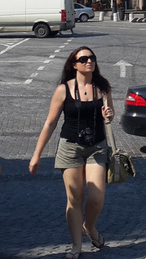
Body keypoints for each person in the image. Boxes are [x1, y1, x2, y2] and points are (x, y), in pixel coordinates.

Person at [29, 47, 115, 259]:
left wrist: (109, 114)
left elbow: (110, 116)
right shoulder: (63, 90)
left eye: (92, 58)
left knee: (97, 197)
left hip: (97, 147)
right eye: (83, 59)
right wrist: (36, 154)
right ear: (74, 64)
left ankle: (90, 227)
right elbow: (50, 123)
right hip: (70, 148)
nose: (89, 62)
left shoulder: (103, 87)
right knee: (74, 199)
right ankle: (76, 246)